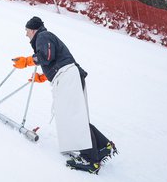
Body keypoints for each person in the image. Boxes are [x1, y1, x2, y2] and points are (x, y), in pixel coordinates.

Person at [12, 17, 117, 174]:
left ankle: (90, 161)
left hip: (68, 76)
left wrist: (27, 61)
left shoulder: (43, 36)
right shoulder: (44, 37)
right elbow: (53, 60)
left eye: (27, 31)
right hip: (68, 77)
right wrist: (43, 77)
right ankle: (103, 146)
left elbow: (46, 56)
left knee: (73, 118)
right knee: (76, 116)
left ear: (33, 30)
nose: (26, 35)